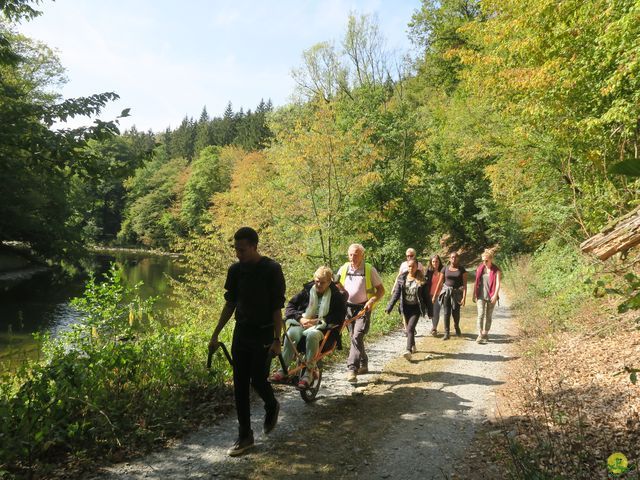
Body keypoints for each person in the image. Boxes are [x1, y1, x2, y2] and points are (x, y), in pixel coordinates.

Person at [208, 227, 286, 457]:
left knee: (258, 380)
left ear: (254, 246)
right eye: (236, 249)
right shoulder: (235, 271)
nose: (238, 254)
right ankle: (245, 435)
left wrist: (277, 339)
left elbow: (276, 308)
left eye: (242, 250)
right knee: (240, 383)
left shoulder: (271, 269)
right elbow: (230, 304)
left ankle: (271, 405)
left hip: (263, 334)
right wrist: (215, 334)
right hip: (241, 333)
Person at [269, 266, 347, 388]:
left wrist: (318, 321)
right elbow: (290, 307)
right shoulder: (307, 291)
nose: (319, 285)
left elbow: (339, 317)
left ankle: (309, 372)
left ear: (329, 282)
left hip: (323, 328)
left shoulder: (336, 295)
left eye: (322, 282)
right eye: (316, 281)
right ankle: (283, 369)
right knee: (291, 334)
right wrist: (301, 318)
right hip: (303, 322)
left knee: (312, 335)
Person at [335, 243, 385, 383]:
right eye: (351, 254)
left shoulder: (369, 269)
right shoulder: (344, 268)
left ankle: (352, 369)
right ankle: (364, 362)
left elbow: (381, 290)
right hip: (347, 308)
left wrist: (372, 300)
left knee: (357, 336)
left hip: (363, 308)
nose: (353, 257)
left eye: (356, 254)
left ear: (362, 255)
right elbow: (335, 285)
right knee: (353, 337)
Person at [385, 258, 430, 360]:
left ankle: (408, 350)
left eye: (413, 266)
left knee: (409, 328)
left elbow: (427, 297)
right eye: (409, 266)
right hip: (405, 308)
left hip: (416, 308)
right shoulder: (402, 278)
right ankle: (413, 345)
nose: (411, 268)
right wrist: (389, 307)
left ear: (416, 267)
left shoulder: (422, 279)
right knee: (410, 328)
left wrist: (430, 311)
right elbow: (396, 294)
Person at [432, 251, 467, 340]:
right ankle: (446, 333)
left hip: (457, 293)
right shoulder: (445, 269)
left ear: (458, 258)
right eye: (452, 257)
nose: (454, 259)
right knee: (446, 313)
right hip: (446, 292)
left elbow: (465, 285)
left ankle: (456, 327)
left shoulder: (462, 269)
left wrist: (464, 297)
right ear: (449, 258)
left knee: (456, 313)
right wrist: (435, 295)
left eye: (455, 257)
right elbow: (440, 283)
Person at [472, 248, 502, 344]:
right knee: (480, 314)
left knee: (488, 316)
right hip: (480, 295)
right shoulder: (480, 268)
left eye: (486, 260)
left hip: (491, 295)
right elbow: (476, 282)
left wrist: (495, 295)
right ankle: (480, 334)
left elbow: (498, 284)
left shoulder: (496, 270)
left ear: (491, 259)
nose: (484, 262)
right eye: (483, 260)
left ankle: (486, 333)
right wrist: (474, 294)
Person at [395, 248, 425, 335]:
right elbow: (399, 276)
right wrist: (394, 287)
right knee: (403, 309)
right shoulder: (403, 264)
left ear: (414, 255)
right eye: (407, 256)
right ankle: (407, 329)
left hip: (414, 291)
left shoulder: (419, 265)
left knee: (413, 313)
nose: (409, 257)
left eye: (411, 255)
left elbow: (423, 278)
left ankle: (410, 328)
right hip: (404, 290)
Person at [426, 254, 444, 337]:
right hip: (429, 294)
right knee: (431, 312)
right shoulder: (429, 271)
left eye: (436, 261)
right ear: (431, 262)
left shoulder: (443, 271)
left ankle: (434, 328)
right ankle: (433, 326)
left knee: (436, 311)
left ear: (439, 262)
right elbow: (425, 281)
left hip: (439, 295)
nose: (435, 263)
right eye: (433, 261)